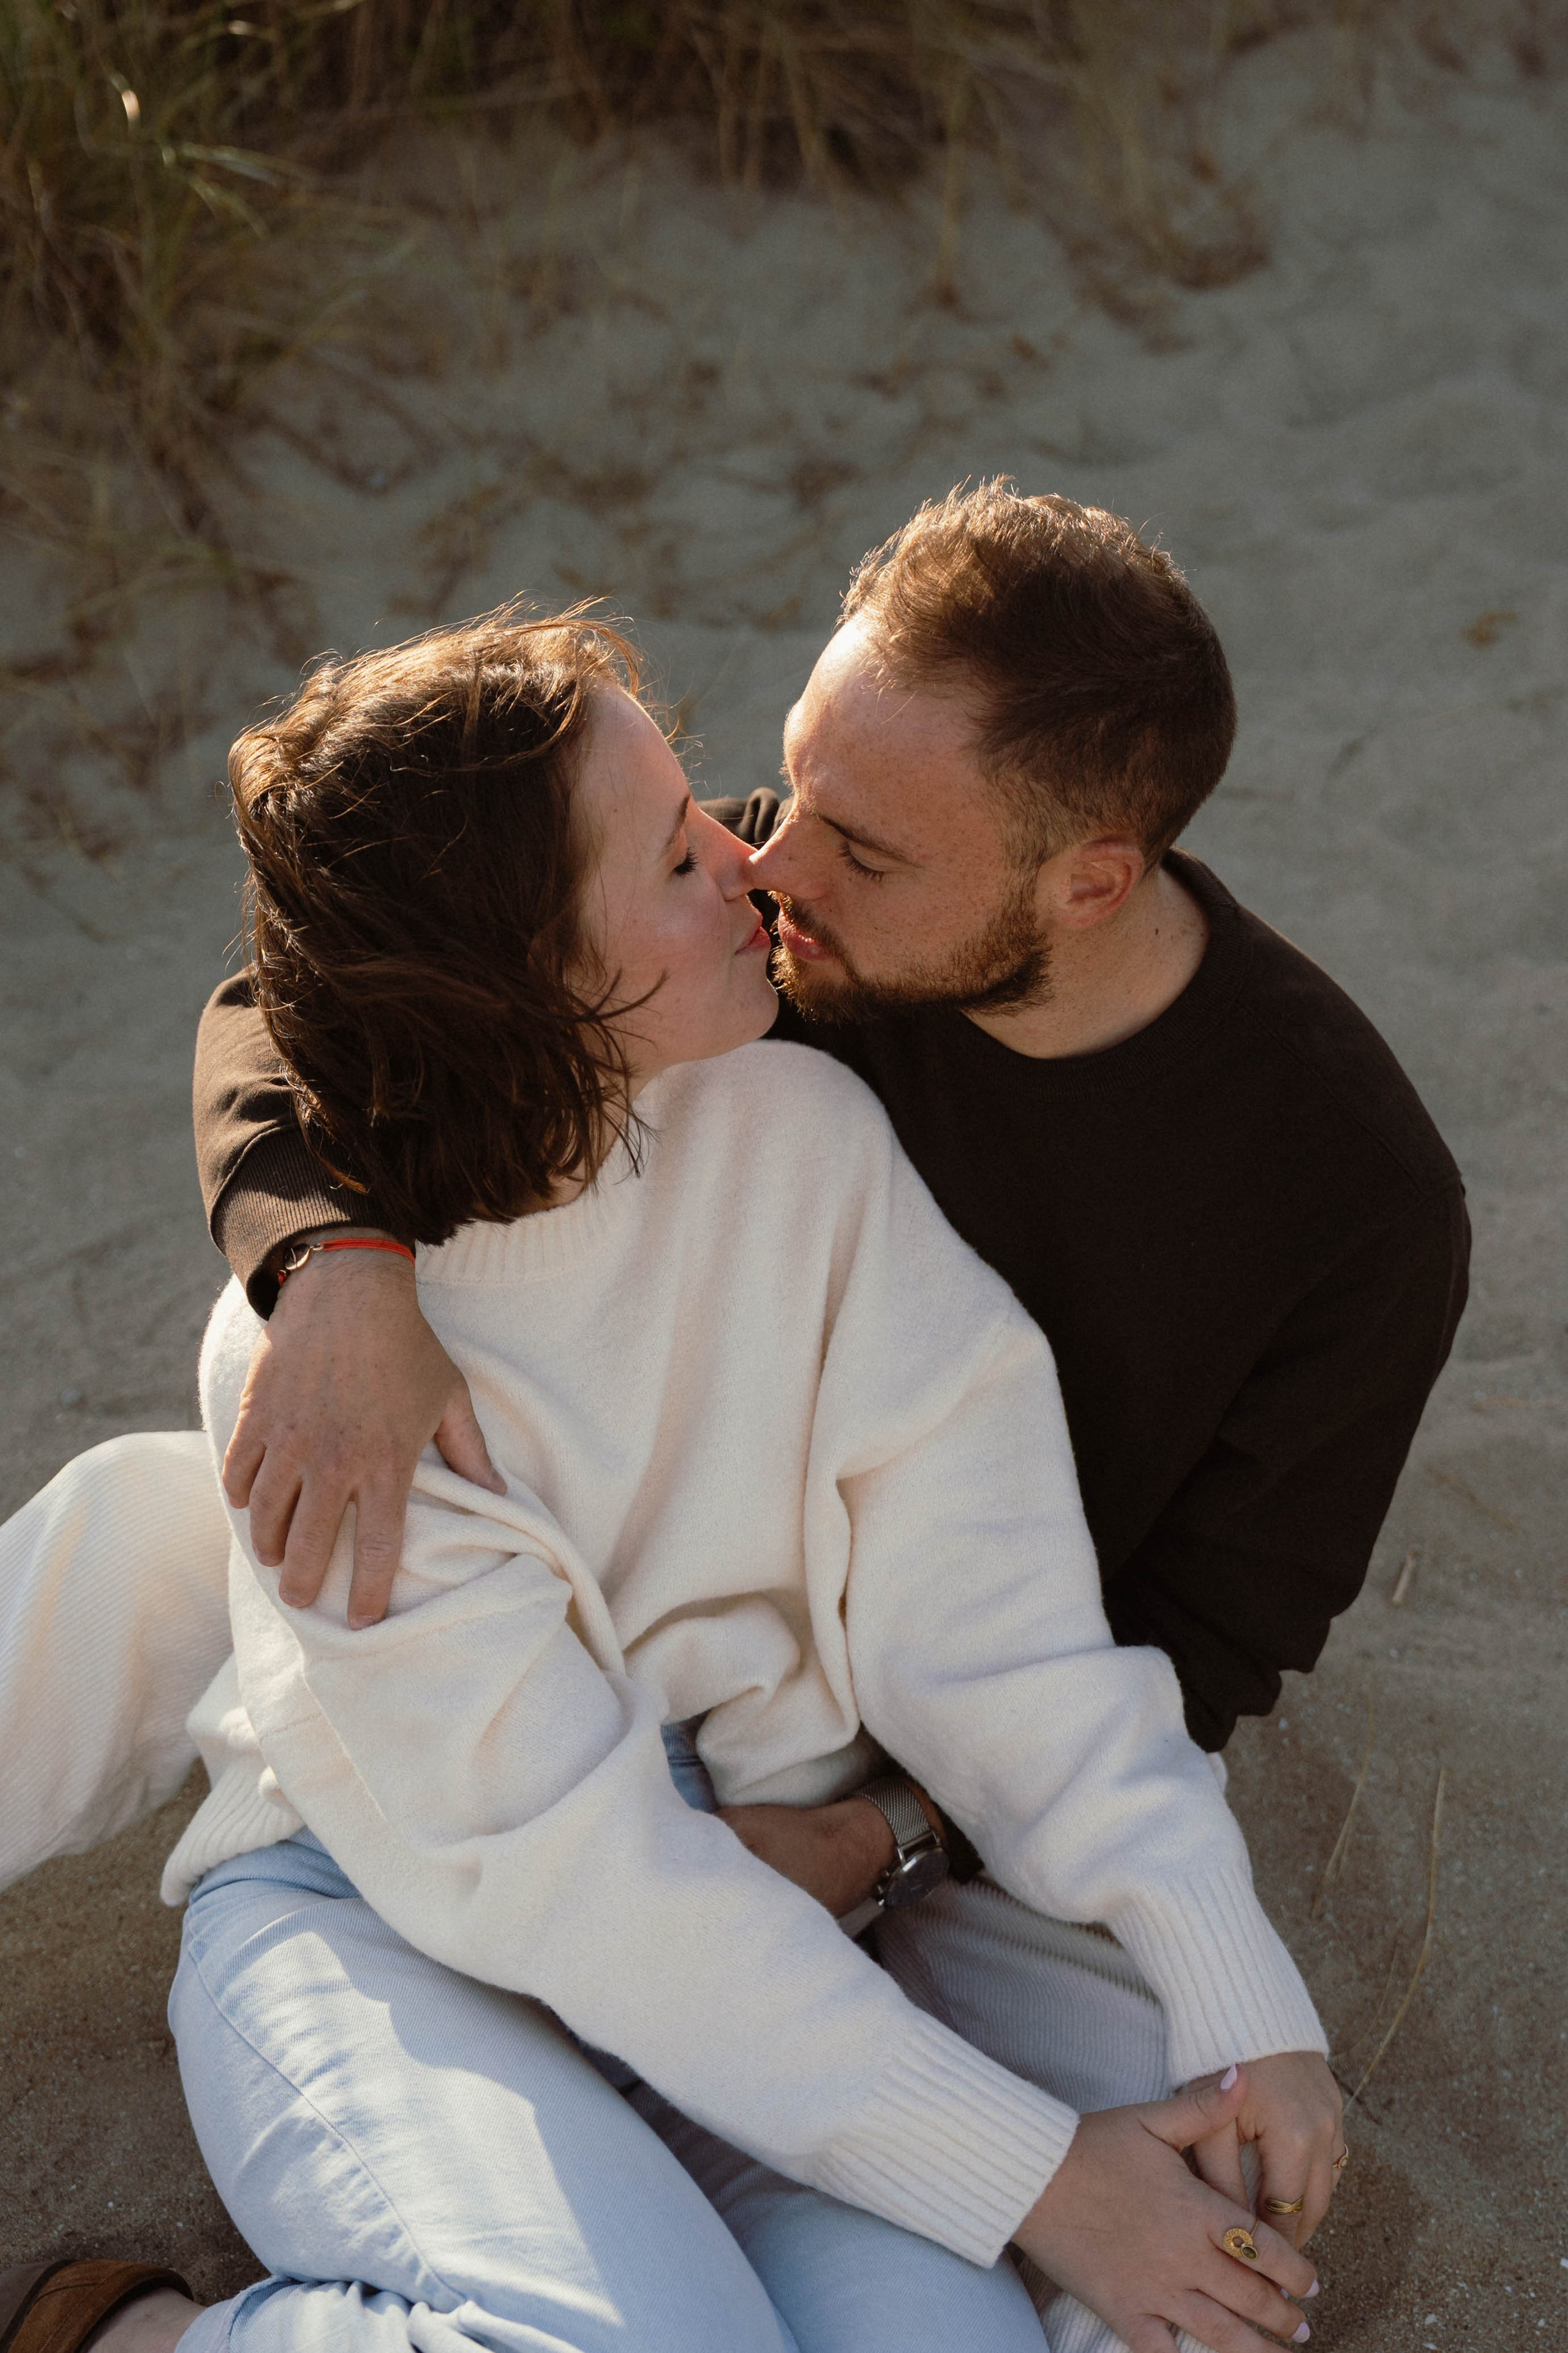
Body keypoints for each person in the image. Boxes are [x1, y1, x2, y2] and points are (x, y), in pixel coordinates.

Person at [2, 608, 1339, 2353]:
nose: (743, 853)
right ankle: (151, 2339)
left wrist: (1245, 2006)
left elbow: (998, 1636)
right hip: (389, 1915)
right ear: (524, 980)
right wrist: (1043, 2180)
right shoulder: (326, 1380)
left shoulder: (807, 1150)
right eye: (669, 852)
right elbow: (589, 1889)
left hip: (748, 1932)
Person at [191, 482, 1468, 1897]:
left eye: (861, 849)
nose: (767, 862)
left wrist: (889, 1833)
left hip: (962, 1752)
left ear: (1089, 885)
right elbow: (304, 999)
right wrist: (332, 1266)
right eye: (800, 786)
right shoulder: (777, 922)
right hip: (627, 1659)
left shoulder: (1358, 1207)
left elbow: (1210, 1636)